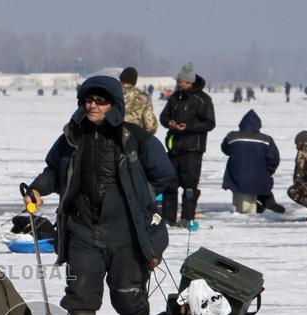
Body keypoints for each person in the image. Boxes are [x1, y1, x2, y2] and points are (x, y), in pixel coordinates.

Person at [21, 76, 174, 315]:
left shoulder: (135, 138)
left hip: (125, 232)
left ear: (113, 104)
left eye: (100, 100)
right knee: (80, 292)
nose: (93, 105)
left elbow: (165, 174)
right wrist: (38, 189)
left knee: (129, 293)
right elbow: (54, 170)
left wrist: (140, 196)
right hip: (83, 229)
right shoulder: (71, 136)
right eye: (88, 99)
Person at [159, 63, 216, 229]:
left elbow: (210, 123)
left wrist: (188, 127)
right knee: (170, 185)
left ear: (189, 82)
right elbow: (163, 116)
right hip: (174, 148)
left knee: (190, 187)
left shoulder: (203, 100)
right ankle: (168, 219)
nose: (177, 84)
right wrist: (169, 122)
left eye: (180, 81)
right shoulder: (175, 97)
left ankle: (187, 218)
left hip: (192, 150)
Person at [221, 109, 284, 214]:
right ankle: (268, 201)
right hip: (259, 174)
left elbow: (225, 149)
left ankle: (258, 205)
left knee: (241, 185)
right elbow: (274, 158)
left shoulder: (232, 136)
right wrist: (270, 170)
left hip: (237, 174)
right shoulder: (266, 139)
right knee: (260, 184)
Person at [119, 66, 157, 133]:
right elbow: (150, 126)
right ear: (135, 81)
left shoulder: (110, 92)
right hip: (133, 135)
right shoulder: (143, 97)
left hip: (108, 136)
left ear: (121, 78)